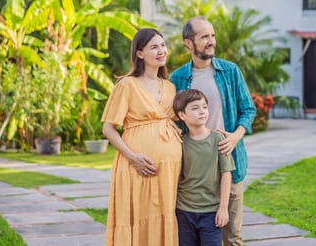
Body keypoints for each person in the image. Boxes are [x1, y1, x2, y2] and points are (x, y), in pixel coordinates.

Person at [169, 16, 256, 246]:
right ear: (189, 43)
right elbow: (171, 119)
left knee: (233, 237)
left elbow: (248, 109)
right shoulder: (177, 78)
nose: (211, 41)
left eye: (213, 35)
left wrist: (236, 136)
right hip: (194, 169)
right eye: (204, 36)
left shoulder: (230, 71)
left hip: (229, 160)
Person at [101, 28, 182, 246]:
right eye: (154, 47)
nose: (161, 51)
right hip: (136, 165)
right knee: (137, 215)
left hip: (169, 169)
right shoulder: (127, 84)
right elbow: (109, 128)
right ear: (139, 54)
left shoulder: (170, 87)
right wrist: (133, 157)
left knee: (165, 213)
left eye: (163, 45)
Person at [173, 89, 235, 246]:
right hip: (184, 211)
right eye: (195, 108)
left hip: (211, 213)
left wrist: (223, 208)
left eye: (204, 107)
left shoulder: (218, 139)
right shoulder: (179, 143)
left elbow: (226, 174)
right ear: (182, 115)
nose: (202, 111)